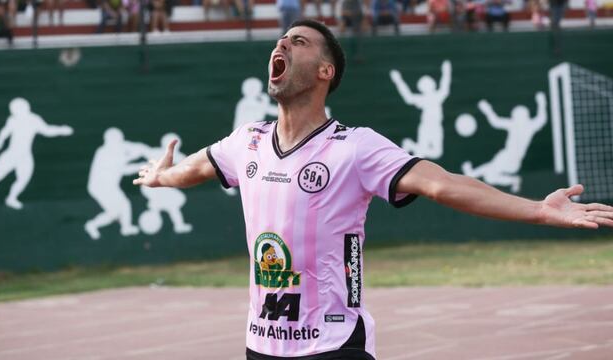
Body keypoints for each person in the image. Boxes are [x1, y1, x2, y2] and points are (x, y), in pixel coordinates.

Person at [133, 19, 613, 360]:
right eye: (280, 41)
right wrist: (160, 176)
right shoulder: (249, 141)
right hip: (262, 345)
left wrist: (539, 211)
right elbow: (197, 166)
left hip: (334, 345)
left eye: (297, 42)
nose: (281, 46)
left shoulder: (355, 148)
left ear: (326, 72)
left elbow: (442, 185)